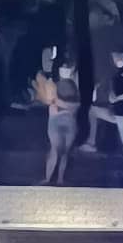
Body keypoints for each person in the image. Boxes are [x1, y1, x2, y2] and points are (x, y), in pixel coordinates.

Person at [83, 49, 123, 176]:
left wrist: (118, 98)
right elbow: (111, 96)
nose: (115, 59)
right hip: (120, 113)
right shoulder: (115, 75)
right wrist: (108, 95)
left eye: (117, 56)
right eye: (113, 57)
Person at [45, 57, 80, 186]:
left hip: (69, 122)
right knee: (54, 150)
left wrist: (61, 104)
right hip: (57, 121)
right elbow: (52, 102)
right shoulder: (54, 85)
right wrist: (66, 106)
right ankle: (48, 178)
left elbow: (76, 105)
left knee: (64, 152)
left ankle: (60, 179)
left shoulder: (74, 87)